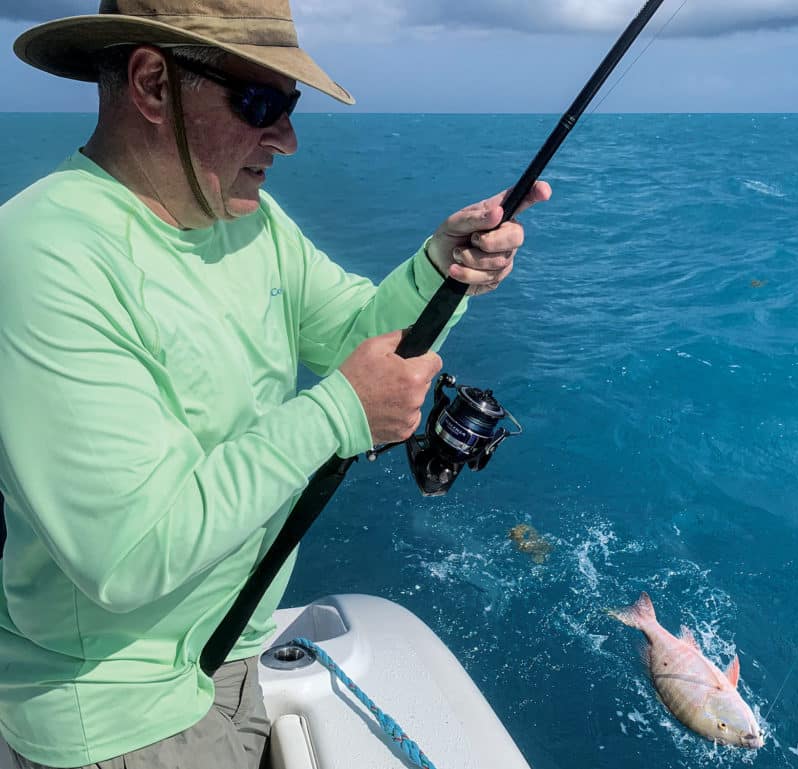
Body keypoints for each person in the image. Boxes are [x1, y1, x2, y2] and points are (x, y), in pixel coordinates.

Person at [0, 2, 551, 768]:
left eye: (287, 106)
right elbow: (125, 552)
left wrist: (440, 268)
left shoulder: (248, 221)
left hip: (233, 654)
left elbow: (358, 333)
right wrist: (337, 414)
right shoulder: (44, 255)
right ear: (153, 85)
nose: (287, 138)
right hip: (120, 715)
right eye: (260, 103)